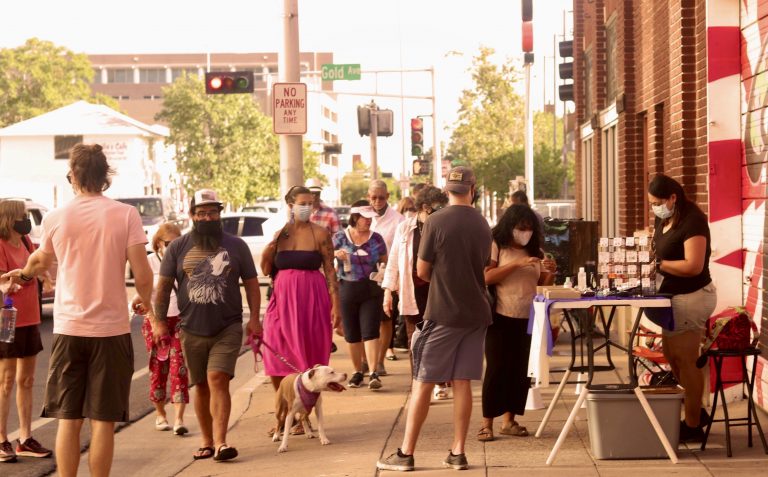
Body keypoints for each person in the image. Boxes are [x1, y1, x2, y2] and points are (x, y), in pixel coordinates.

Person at [2, 143, 155, 477]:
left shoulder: (57, 217)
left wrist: (24, 274)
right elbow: (143, 275)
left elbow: (41, 259)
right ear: (105, 177)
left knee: (68, 420)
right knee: (103, 422)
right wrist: (150, 307)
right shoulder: (125, 214)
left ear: (73, 175)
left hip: (69, 330)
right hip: (111, 331)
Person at [377, 166, 492, 472]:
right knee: (463, 382)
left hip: (443, 312)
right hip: (477, 312)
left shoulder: (437, 221)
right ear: (472, 188)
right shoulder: (483, 223)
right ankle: (458, 451)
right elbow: (484, 265)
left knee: (423, 382)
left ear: (446, 189)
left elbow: (422, 271)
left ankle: (406, 452)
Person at [154, 189, 261, 462]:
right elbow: (164, 288)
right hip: (190, 327)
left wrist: (256, 320)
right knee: (200, 385)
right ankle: (207, 441)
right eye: (201, 213)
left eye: (212, 212)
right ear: (192, 216)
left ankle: (222, 442)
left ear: (219, 214)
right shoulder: (178, 247)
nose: (207, 217)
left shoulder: (237, 246)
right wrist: (159, 322)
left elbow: (251, 284)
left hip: (228, 325)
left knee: (217, 379)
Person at [477, 204, 556, 442]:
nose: (526, 233)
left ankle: (509, 420)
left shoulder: (535, 251)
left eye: (530, 229)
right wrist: (516, 265)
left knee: (520, 370)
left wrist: (550, 271)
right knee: (496, 369)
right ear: (510, 227)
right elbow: (487, 276)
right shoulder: (497, 245)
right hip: (500, 315)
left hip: (528, 316)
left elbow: (542, 282)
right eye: (521, 228)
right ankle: (486, 423)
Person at [648, 174, 717, 443]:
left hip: (692, 296)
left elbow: (693, 266)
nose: (654, 207)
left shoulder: (693, 222)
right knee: (672, 356)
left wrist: (660, 266)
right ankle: (696, 410)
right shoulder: (664, 219)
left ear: (672, 197)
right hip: (671, 298)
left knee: (687, 360)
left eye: (657, 202)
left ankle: (693, 424)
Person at [260, 186, 341, 390]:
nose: (307, 207)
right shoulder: (280, 234)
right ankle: (284, 407)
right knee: (275, 351)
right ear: (290, 205)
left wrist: (336, 305)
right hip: (282, 300)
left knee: (308, 355)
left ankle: (302, 412)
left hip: (311, 299)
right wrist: (270, 249)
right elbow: (266, 268)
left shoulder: (320, 233)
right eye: (302, 204)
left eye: (310, 204)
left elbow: (330, 271)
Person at [381, 187, 451, 400]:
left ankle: (440, 382)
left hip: (439, 293)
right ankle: (419, 386)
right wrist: (387, 292)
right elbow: (393, 261)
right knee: (416, 342)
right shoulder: (405, 228)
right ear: (424, 208)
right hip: (412, 293)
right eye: (438, 209)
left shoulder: (445, 229)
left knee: (439, 341)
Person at [0, 200, 52, 462]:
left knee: (27, 381)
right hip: (7, 320)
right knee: (6, 381)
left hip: (30, 318)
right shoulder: (0, 244)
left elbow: (36, 268)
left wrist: (41, 275)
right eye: (22, 216)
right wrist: (13, 279)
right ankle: (1, 440)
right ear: (10, 219)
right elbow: (3, 278)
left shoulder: (27, 243)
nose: (26, 220)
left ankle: (25, 438)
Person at [131, 223, 189, 436]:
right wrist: (153, 320)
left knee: (179, 369)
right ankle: (160, 414)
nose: (172, 247)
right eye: (168, 243)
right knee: (158, 369)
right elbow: (142, 295)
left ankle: (179, 418)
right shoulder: (149, 263)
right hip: (155, 321)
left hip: (180, 322)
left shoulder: (184, 262)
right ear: (158, 244)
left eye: (176, 243)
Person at [333, 200, 388, 390]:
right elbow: (329, 263)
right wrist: (336, 256)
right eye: (365, 218)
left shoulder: (376, 239)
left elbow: (384, 261)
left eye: (371, 218)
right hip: (347, 288)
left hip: (371, 289)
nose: (369, 222)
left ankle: (373, 372)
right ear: (355, 218)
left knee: (370, 331)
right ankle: (358, 372)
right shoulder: (340, 237)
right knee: (352, 334)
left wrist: (383, 274)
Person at [367, 180, 404, 377]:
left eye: (381, 197)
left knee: (385, 319)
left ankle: (379, 361)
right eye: (374, 197)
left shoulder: (398, 220)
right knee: (366, 320)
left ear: (388, 197)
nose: (377, 201)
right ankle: (366, 360)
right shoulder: (362, 217)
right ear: (368, 197)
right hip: (362, 277)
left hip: (387, 278)